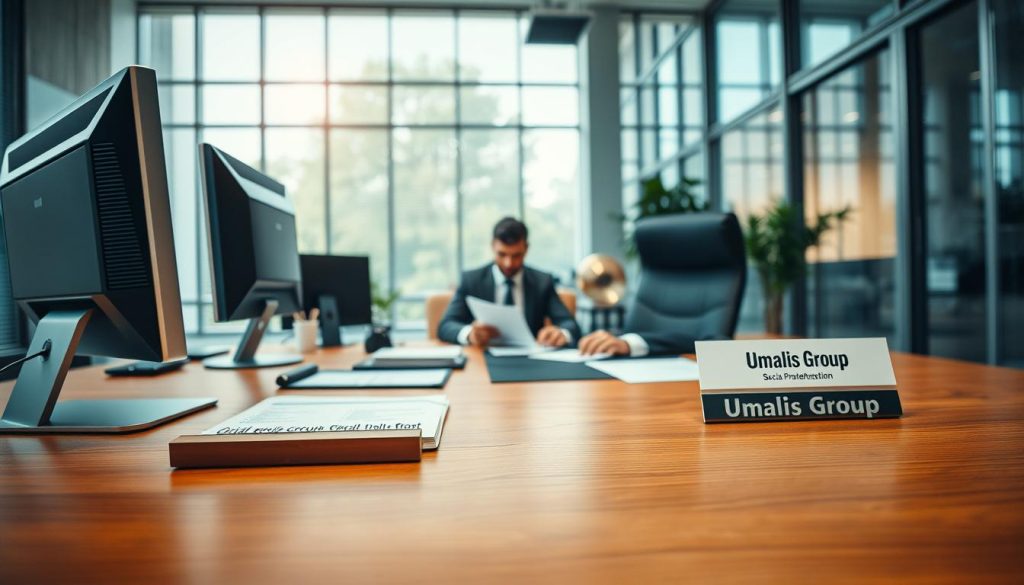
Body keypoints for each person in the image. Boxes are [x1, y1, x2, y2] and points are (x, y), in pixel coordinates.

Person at [437, 217, 581, 348]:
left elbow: (571, 325)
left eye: (516, 255)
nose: (509, 263)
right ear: (493, 246)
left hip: (531, 358)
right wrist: (470, 333)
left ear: (526, 248)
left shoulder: (542, 282)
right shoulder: (471, 280)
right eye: (502, 254)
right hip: (483, 356)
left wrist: (561, 333)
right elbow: (445, 326)